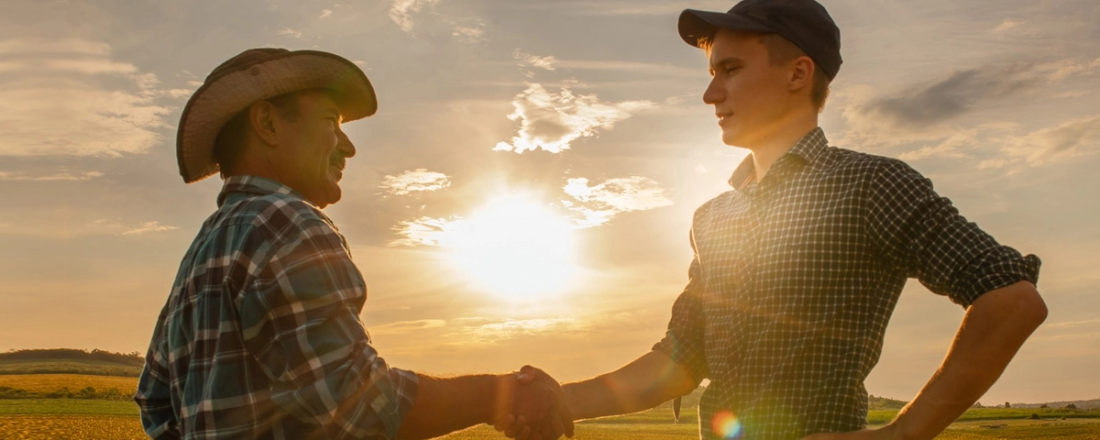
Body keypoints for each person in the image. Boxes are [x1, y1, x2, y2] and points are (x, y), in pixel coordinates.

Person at [506, 1, 1047, 439]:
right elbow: (680, 361)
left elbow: (1011, 299)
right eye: (712, 73)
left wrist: (902, 434)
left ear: (797, 73)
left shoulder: (870, 184)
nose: (710, 93)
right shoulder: (712, 216)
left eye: (730, 70)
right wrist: (559, 401)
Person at [134, 48, 573, 440]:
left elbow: (156, 404)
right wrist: (499, 395)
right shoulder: (286, 223)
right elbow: (358, 404)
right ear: (267, 122)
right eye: (330, 121)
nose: (347, 147)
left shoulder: (204, 248)